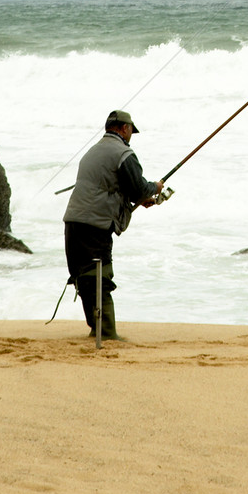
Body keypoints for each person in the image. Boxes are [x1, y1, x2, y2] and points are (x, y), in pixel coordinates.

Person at [63, 109, 164, 340]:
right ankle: (106, 333)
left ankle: (96, 328)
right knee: (99, 275)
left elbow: (109, 187)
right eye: (130, 131)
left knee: (84, 275)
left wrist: (139, 199)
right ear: (124, 128)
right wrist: (155, 188)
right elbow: (138, 188)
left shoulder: (93, 151)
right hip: (95, 225)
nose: (130, 136)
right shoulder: (122, 153)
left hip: (73, 221)